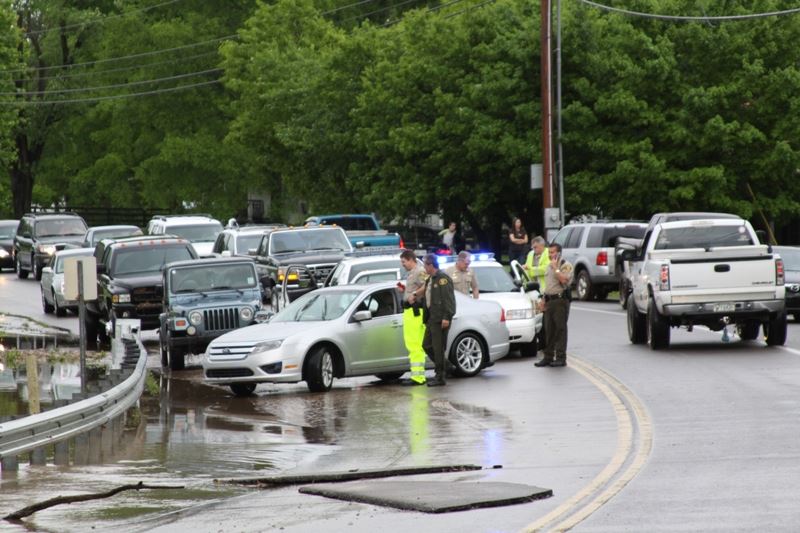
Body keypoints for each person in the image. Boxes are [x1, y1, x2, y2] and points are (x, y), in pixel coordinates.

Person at [535, 243, 574, 368]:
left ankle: (561, 358)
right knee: (549, 330)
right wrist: (543, 299)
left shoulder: (565, 265)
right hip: (550, 301)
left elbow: (564, 280)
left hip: (560, 301)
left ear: (559, 253)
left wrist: (556, 268)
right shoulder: (548, 266)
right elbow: (548, 286)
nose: (551, 255)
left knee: (560, 330)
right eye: (549, 253)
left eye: (553, 252)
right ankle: (548, 357)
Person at [422, 253, 456, 387]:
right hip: (431, 318)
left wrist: (447, 317)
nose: (424, 267)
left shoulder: (442, 279)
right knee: (426, 345)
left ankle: (440, 376)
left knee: (438, 348)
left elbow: (449, 300)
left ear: (430, 265)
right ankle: (446, 366)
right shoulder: (430, 279)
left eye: (425, 264)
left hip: (440, 319)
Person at [398, 249, 428, 385]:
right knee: (413, 344)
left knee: (414, 344)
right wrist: (405, 291)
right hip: (410, 312)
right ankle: (418, 376)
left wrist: (414, 294)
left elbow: (427, 286)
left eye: (404, 262)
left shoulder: (420, 271)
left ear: (410, 259)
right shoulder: (412, 273)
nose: (402, 264)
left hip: (415, 312)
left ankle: (418, 377)